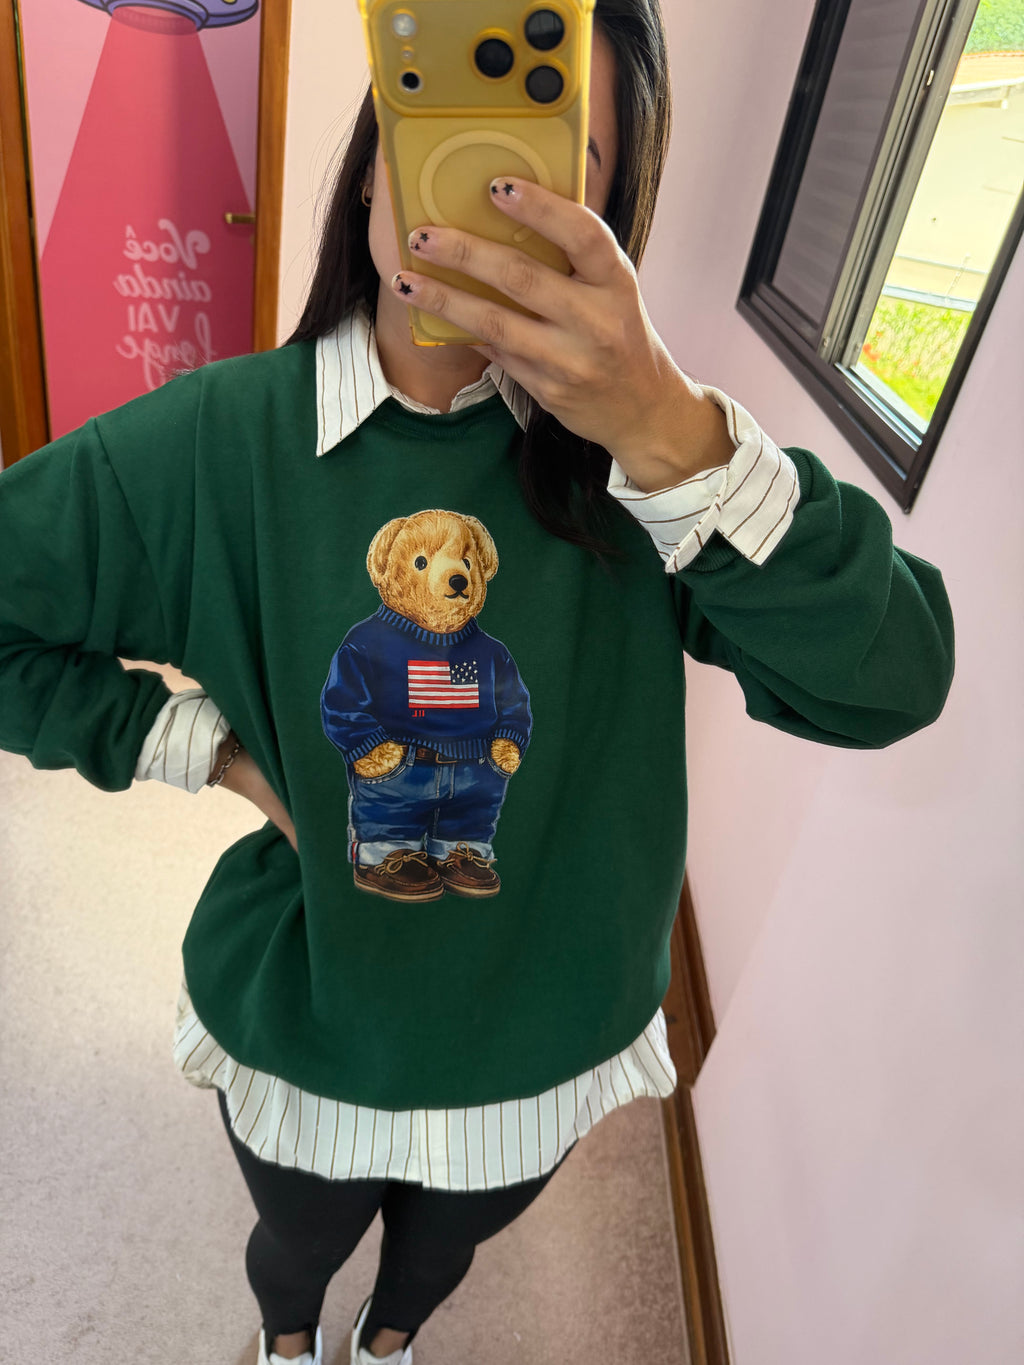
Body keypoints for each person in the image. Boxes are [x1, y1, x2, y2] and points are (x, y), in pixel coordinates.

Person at [0, 2, 955, 1363]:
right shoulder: (214, 448)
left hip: (551, 1031)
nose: (481, 191)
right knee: (295, 1243)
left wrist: (670, 433)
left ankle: (389, 1343)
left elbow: (895, 678)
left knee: (440, 1253)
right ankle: (291, 1342)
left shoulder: (649, 474)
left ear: (607, 215)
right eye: (439, 119)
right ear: (373, 158)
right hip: (312, 1008)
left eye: (547, 155)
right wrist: (207, 746)